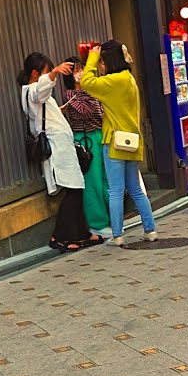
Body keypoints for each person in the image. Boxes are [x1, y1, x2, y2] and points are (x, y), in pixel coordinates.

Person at [18, 52, 100, 252]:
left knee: (76, 188)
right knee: (73, 190)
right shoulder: (31, 90)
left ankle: (81, 233)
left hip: (63, 145)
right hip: (58, 147)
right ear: (35, 73)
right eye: (46, 71)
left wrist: (59, 110)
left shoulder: (33, 92)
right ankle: (62, 236)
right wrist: (54, 73)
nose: (50, 76)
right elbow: (41, 91)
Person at [80, 40, 158, 247]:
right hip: (132, 141)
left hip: (114, 141)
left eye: (102, 62)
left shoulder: (112, 81)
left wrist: (91, 58)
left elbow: (86, 82)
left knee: (115, 190)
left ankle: (117, 235)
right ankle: (150, 230)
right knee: (136, 189)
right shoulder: (129, 79)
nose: (100, 66)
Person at [60, 57, 111, 240]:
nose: (80, 73)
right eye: (76, 70)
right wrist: (90, 91)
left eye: (82, 69)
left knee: (106, 179)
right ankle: (97, 223)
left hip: (99, 135)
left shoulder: (92, 90)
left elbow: (100, 113)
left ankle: (111, 218)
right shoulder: (70, 94)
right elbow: (87, 112)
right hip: (85, 139)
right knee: (92, 181)